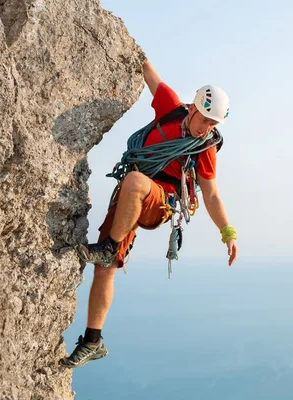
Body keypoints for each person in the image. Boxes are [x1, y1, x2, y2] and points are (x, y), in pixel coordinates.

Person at [59, 60, 238, 368]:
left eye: (214, 124)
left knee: (133, 186)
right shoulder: (170, 107)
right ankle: (93, 340)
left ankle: (107, 247)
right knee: (106, 268)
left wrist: (228, 232)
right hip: (131, 195)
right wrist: (134, 51)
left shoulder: (205, 147)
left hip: (160, 199)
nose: (206, 128)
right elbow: (148, 72)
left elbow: (211, 194)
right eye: (205, 119)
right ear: (193, 107)